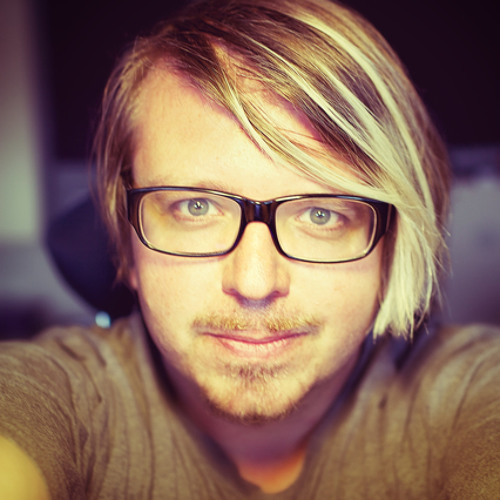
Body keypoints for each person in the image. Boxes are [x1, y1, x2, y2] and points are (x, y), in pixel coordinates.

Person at [1, 0, 499, 497]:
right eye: (195, 207)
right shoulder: (53, 393)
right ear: (126, 241)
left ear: (391, 249)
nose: (255, 283)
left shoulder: (471, 392)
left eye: (321, 215)